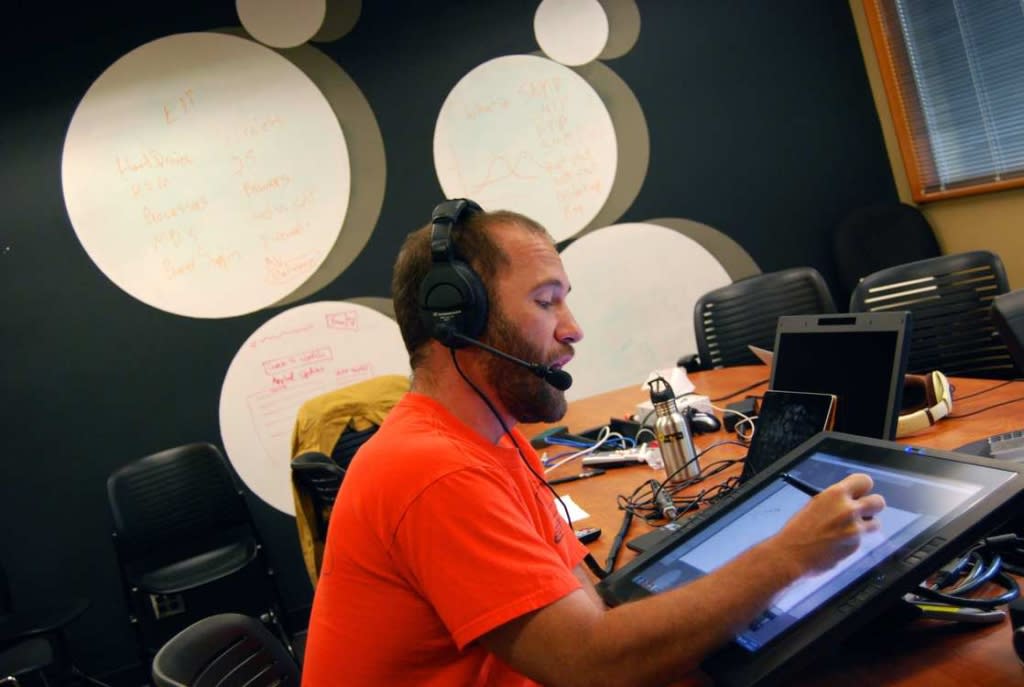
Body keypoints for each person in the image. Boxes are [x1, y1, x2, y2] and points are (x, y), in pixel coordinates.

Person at [301, 202, 886, 687]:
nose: (573, 327)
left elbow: (589, 603)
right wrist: (787, 557)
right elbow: (589, 663)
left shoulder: (492, 436)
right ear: (459, 318)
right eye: (545, 301)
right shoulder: (433, 471)